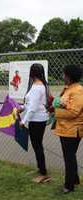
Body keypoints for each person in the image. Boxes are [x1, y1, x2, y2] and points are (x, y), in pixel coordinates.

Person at [53, 64, 83, 194]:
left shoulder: (78, 90)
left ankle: (69, 186)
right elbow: (65, 104)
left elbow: (74, 112)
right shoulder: (69, 88)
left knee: (69, 158)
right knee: (70, 157)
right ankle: (74, 179)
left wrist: (56, 112)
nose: (62, 76)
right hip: (66, 129)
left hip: (72, 130)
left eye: (64, 74)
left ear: (69, 76)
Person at [18, 63, 50, 183]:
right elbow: (29, 104)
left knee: (37, 146)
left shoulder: (37, 87)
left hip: (37, 120)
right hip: (36, 119)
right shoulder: (37, 85)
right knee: (37, 145)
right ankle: (40, 168)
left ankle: (43, 172)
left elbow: (32, 108)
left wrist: (23, 121)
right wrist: (21, 107)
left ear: (32, 73)